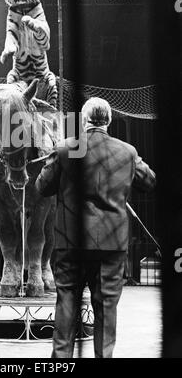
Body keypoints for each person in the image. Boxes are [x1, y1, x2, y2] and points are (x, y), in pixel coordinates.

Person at [35, 97, 156, 358]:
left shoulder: (66, 148)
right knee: (106, 309)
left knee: (67, 304)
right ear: (109, 121)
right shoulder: (127, 151)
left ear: (83, 120)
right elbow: (150, 181)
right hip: (112, 245)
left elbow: (42, 187)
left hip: (71, 242)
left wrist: (52, 156)